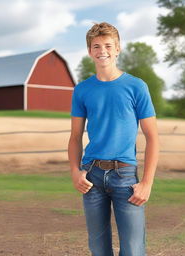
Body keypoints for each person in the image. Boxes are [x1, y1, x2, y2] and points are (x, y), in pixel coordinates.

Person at [68, 22, 159, 256]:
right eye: (96, 46)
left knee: (133, 249)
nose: (102, 51)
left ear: (118, 49)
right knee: (98, 249)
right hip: (92, 176)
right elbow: (75, 136)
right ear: (90, 51)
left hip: (125, 177)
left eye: (108, 45)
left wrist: (147, 183)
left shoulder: (136, 87)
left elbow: (152, 137)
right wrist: (75, 171)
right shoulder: (82, 90)